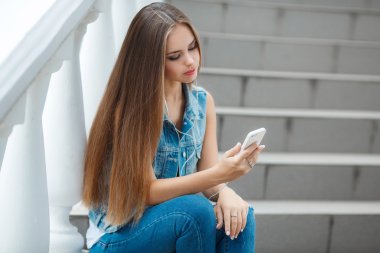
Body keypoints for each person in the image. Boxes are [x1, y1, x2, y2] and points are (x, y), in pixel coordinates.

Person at [82, 2, 265, 252]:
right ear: (151, 61)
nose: (190, 61)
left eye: (192, 47)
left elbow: (209, 176)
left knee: (241, 217)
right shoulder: (133, 108)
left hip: (172, 225)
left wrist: (225, 191)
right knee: (195, 212)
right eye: (174, 56)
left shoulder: (202, 102)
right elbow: (146, 193)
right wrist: (221, 175)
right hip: (117, 236)